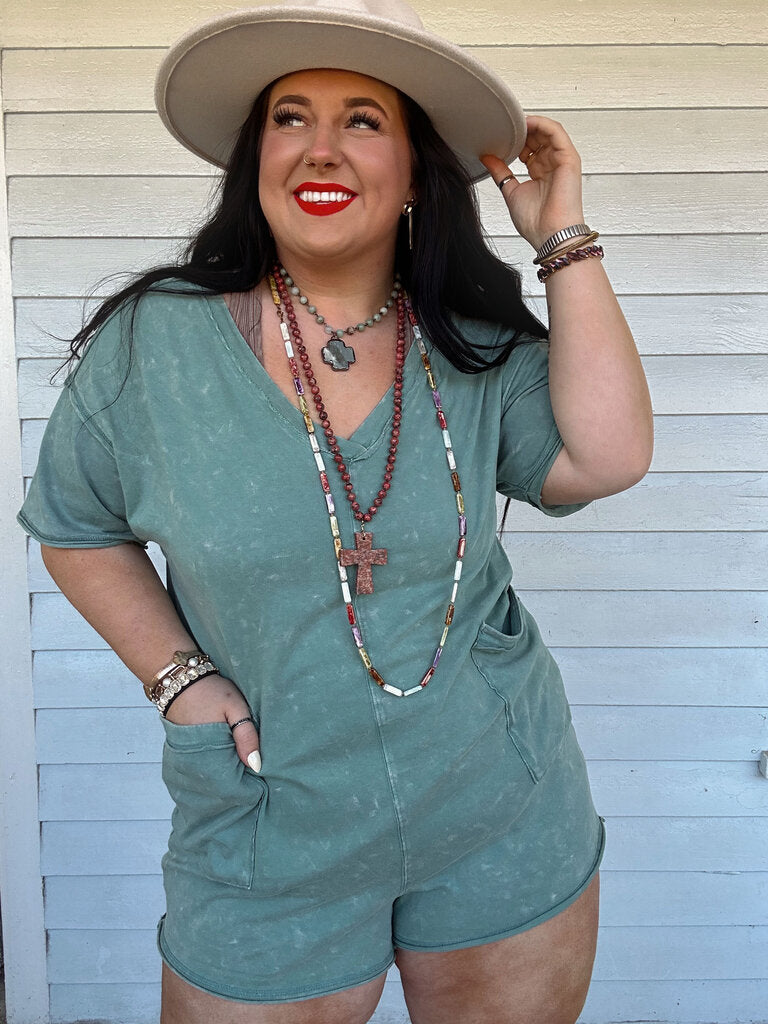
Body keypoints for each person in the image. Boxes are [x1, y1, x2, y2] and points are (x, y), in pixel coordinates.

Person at [17, 0, 653, 1021]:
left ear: (415, 172)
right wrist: (180, 680)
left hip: (498, 808)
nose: (322, 147)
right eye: (290, 117)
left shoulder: (472, 344)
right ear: (256, 160)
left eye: (363, 119)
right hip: (268, 821)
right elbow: (77, 526)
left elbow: (608, 456)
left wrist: (562, 239)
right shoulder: (154, 346)